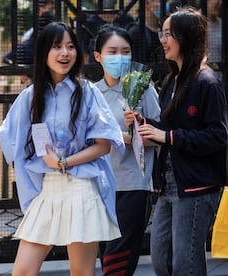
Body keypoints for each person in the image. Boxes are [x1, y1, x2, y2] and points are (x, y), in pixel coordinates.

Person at [0, 21, 125, 275]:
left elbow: (103, 145)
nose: (65, 53)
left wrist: (66, 162)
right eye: (57, 47)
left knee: (81, 272)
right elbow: (7, 136)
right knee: (22, 271)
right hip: (48, 189)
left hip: (82, 187)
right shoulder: (30, 96)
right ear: (43, 52)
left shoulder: (87, 92)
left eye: (70, 46)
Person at [124, 7, 227, 275]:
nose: (163, 39)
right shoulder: (173, 79)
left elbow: (217, 136)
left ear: (188, 37)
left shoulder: (208, 82)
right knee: (161, 261)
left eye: (169, 34)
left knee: (186, 264)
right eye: (162, 33)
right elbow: (168, 128)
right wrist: (143, 124)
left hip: (195, 186)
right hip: (169, 185)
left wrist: (165, 136)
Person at [93, 24, 160, 275]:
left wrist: (141, 127)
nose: (119, 57)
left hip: (133, 185)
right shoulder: (92, 93)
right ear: (98, 56)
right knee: (104, 255)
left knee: (118, 261)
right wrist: (118, 136)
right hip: (99, 185)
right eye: (112, 51)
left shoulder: (143, 89)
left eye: (125, 51)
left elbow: (160, 135)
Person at [127, 0, 168, 86]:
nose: (165, 5)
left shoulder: (166, 31)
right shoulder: (136, 32)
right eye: (159, 1)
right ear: (147, 3)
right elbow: (135, 69)